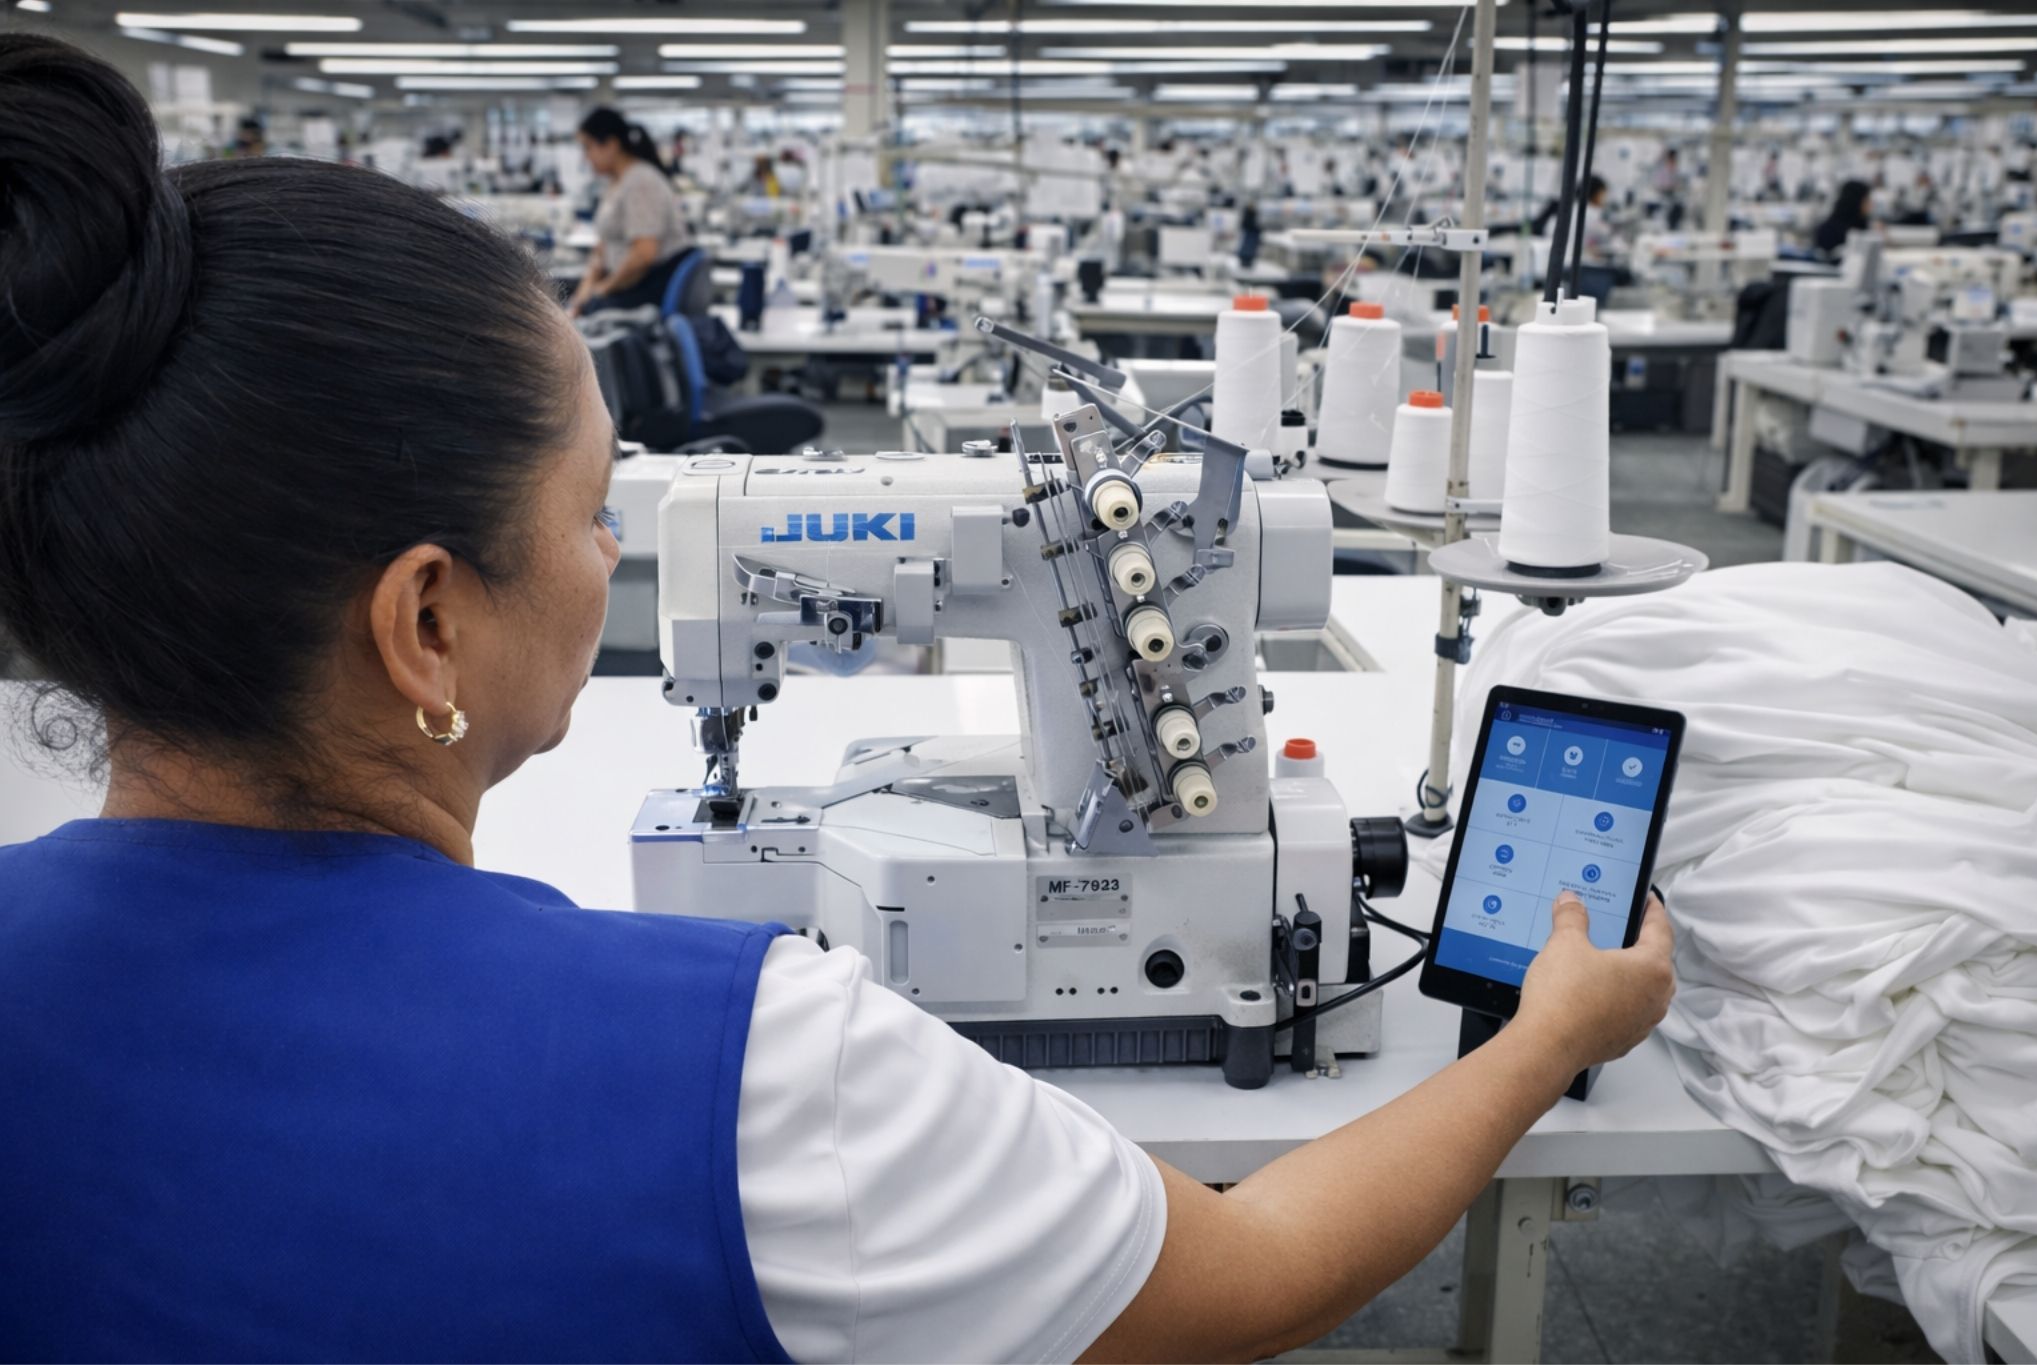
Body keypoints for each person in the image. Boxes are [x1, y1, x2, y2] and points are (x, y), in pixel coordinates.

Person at [0, 35, 1677, 1363]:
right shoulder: (748, 1072)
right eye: (594, 511)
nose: (613, 561)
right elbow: (1254, 1282)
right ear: (426, 624)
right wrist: (1545, 1038)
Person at [568, 106, 689, 316]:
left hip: (646, 287)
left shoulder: (641, 181)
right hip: (627, 283)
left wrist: (601, 290)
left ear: (612, 145)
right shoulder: (617, 182)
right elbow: (601, 250)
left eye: (588, 148)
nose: (585, 158)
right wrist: (582, 296)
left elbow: (644, 255)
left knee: (590, 316)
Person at [1813, 179, 1873, 257]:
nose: (1871, 204)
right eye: (1867, 200)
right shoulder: (1829, 231)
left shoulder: (1861, 226)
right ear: (1856, 201)